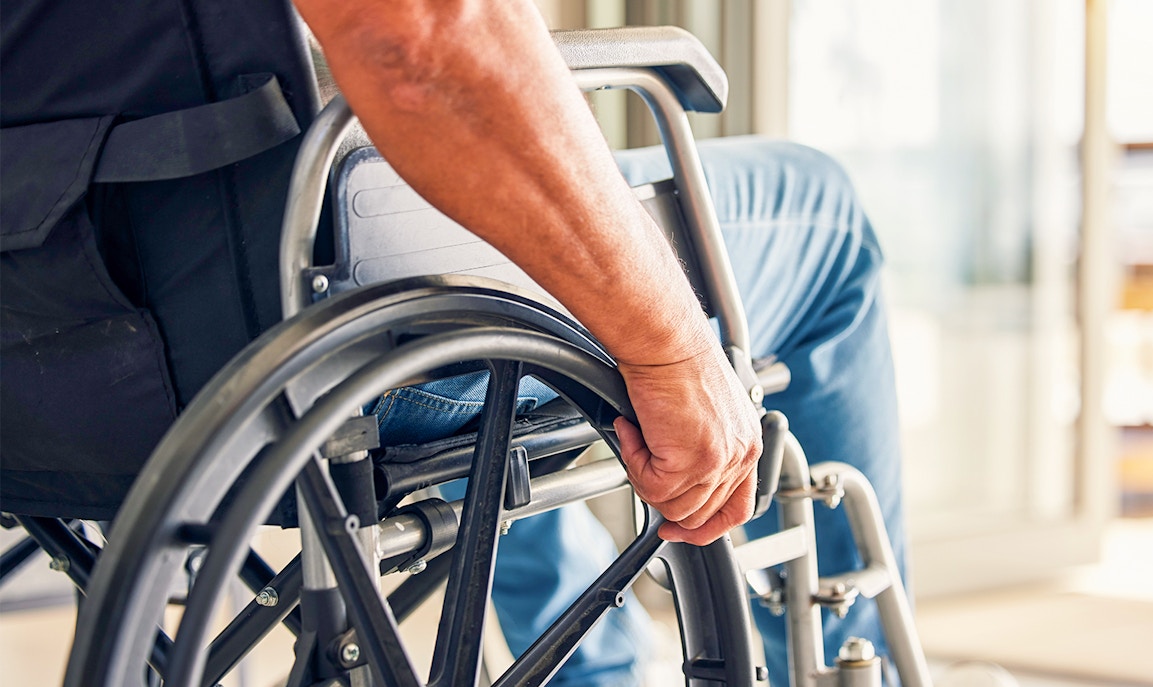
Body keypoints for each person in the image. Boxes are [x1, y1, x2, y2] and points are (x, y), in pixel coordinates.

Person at [0, 0, 904, 684]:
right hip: (262, 348)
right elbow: (421, 43)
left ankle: (606, 667)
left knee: (466, 284)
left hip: (42, 377)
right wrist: (672, 348)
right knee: (823, 216)